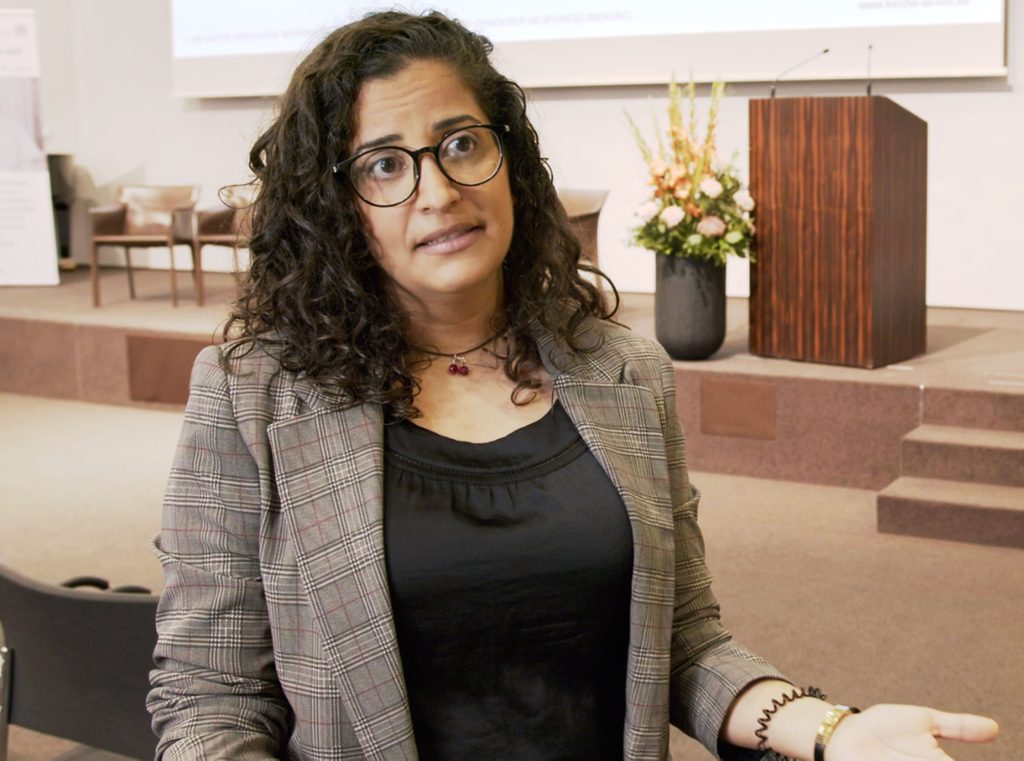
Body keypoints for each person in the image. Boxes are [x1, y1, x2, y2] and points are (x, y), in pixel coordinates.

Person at [147, 10, 999, 761]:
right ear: (336, 205)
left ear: (508, 158)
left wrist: (828, 727)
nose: (437, 191)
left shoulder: (623, 371)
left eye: (461, 144)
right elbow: (210, 698)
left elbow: (683, 640)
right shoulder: (253, 394)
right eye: (383, 165)